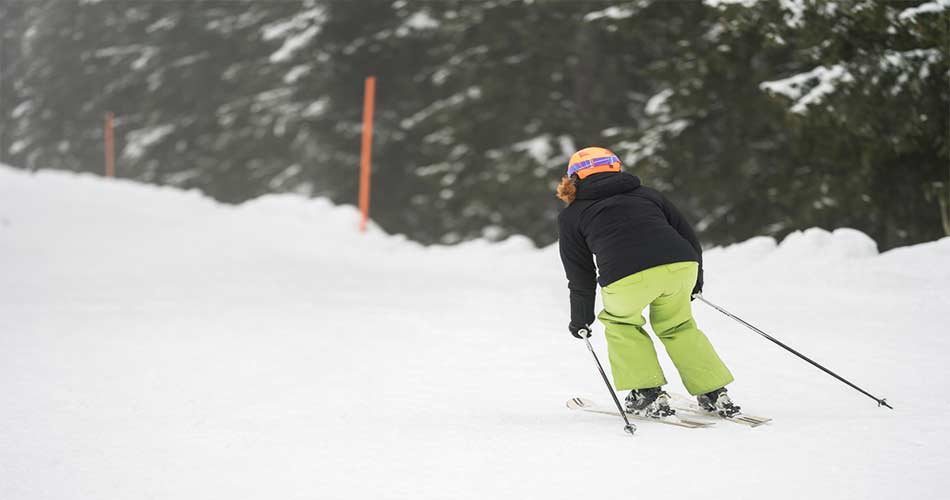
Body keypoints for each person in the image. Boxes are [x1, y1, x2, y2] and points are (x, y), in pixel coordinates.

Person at [556, 146, 740, 418]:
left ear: (574, 178)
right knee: (678, 325)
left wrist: (581, 318)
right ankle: (714, 392)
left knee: (622, 323)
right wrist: (695, 282)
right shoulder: (648, 195)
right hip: (681, 265)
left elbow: (580, 273)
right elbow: (688, 237)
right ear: (616, 167)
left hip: (625, 275)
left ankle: (647, 392)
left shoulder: (572, 215)